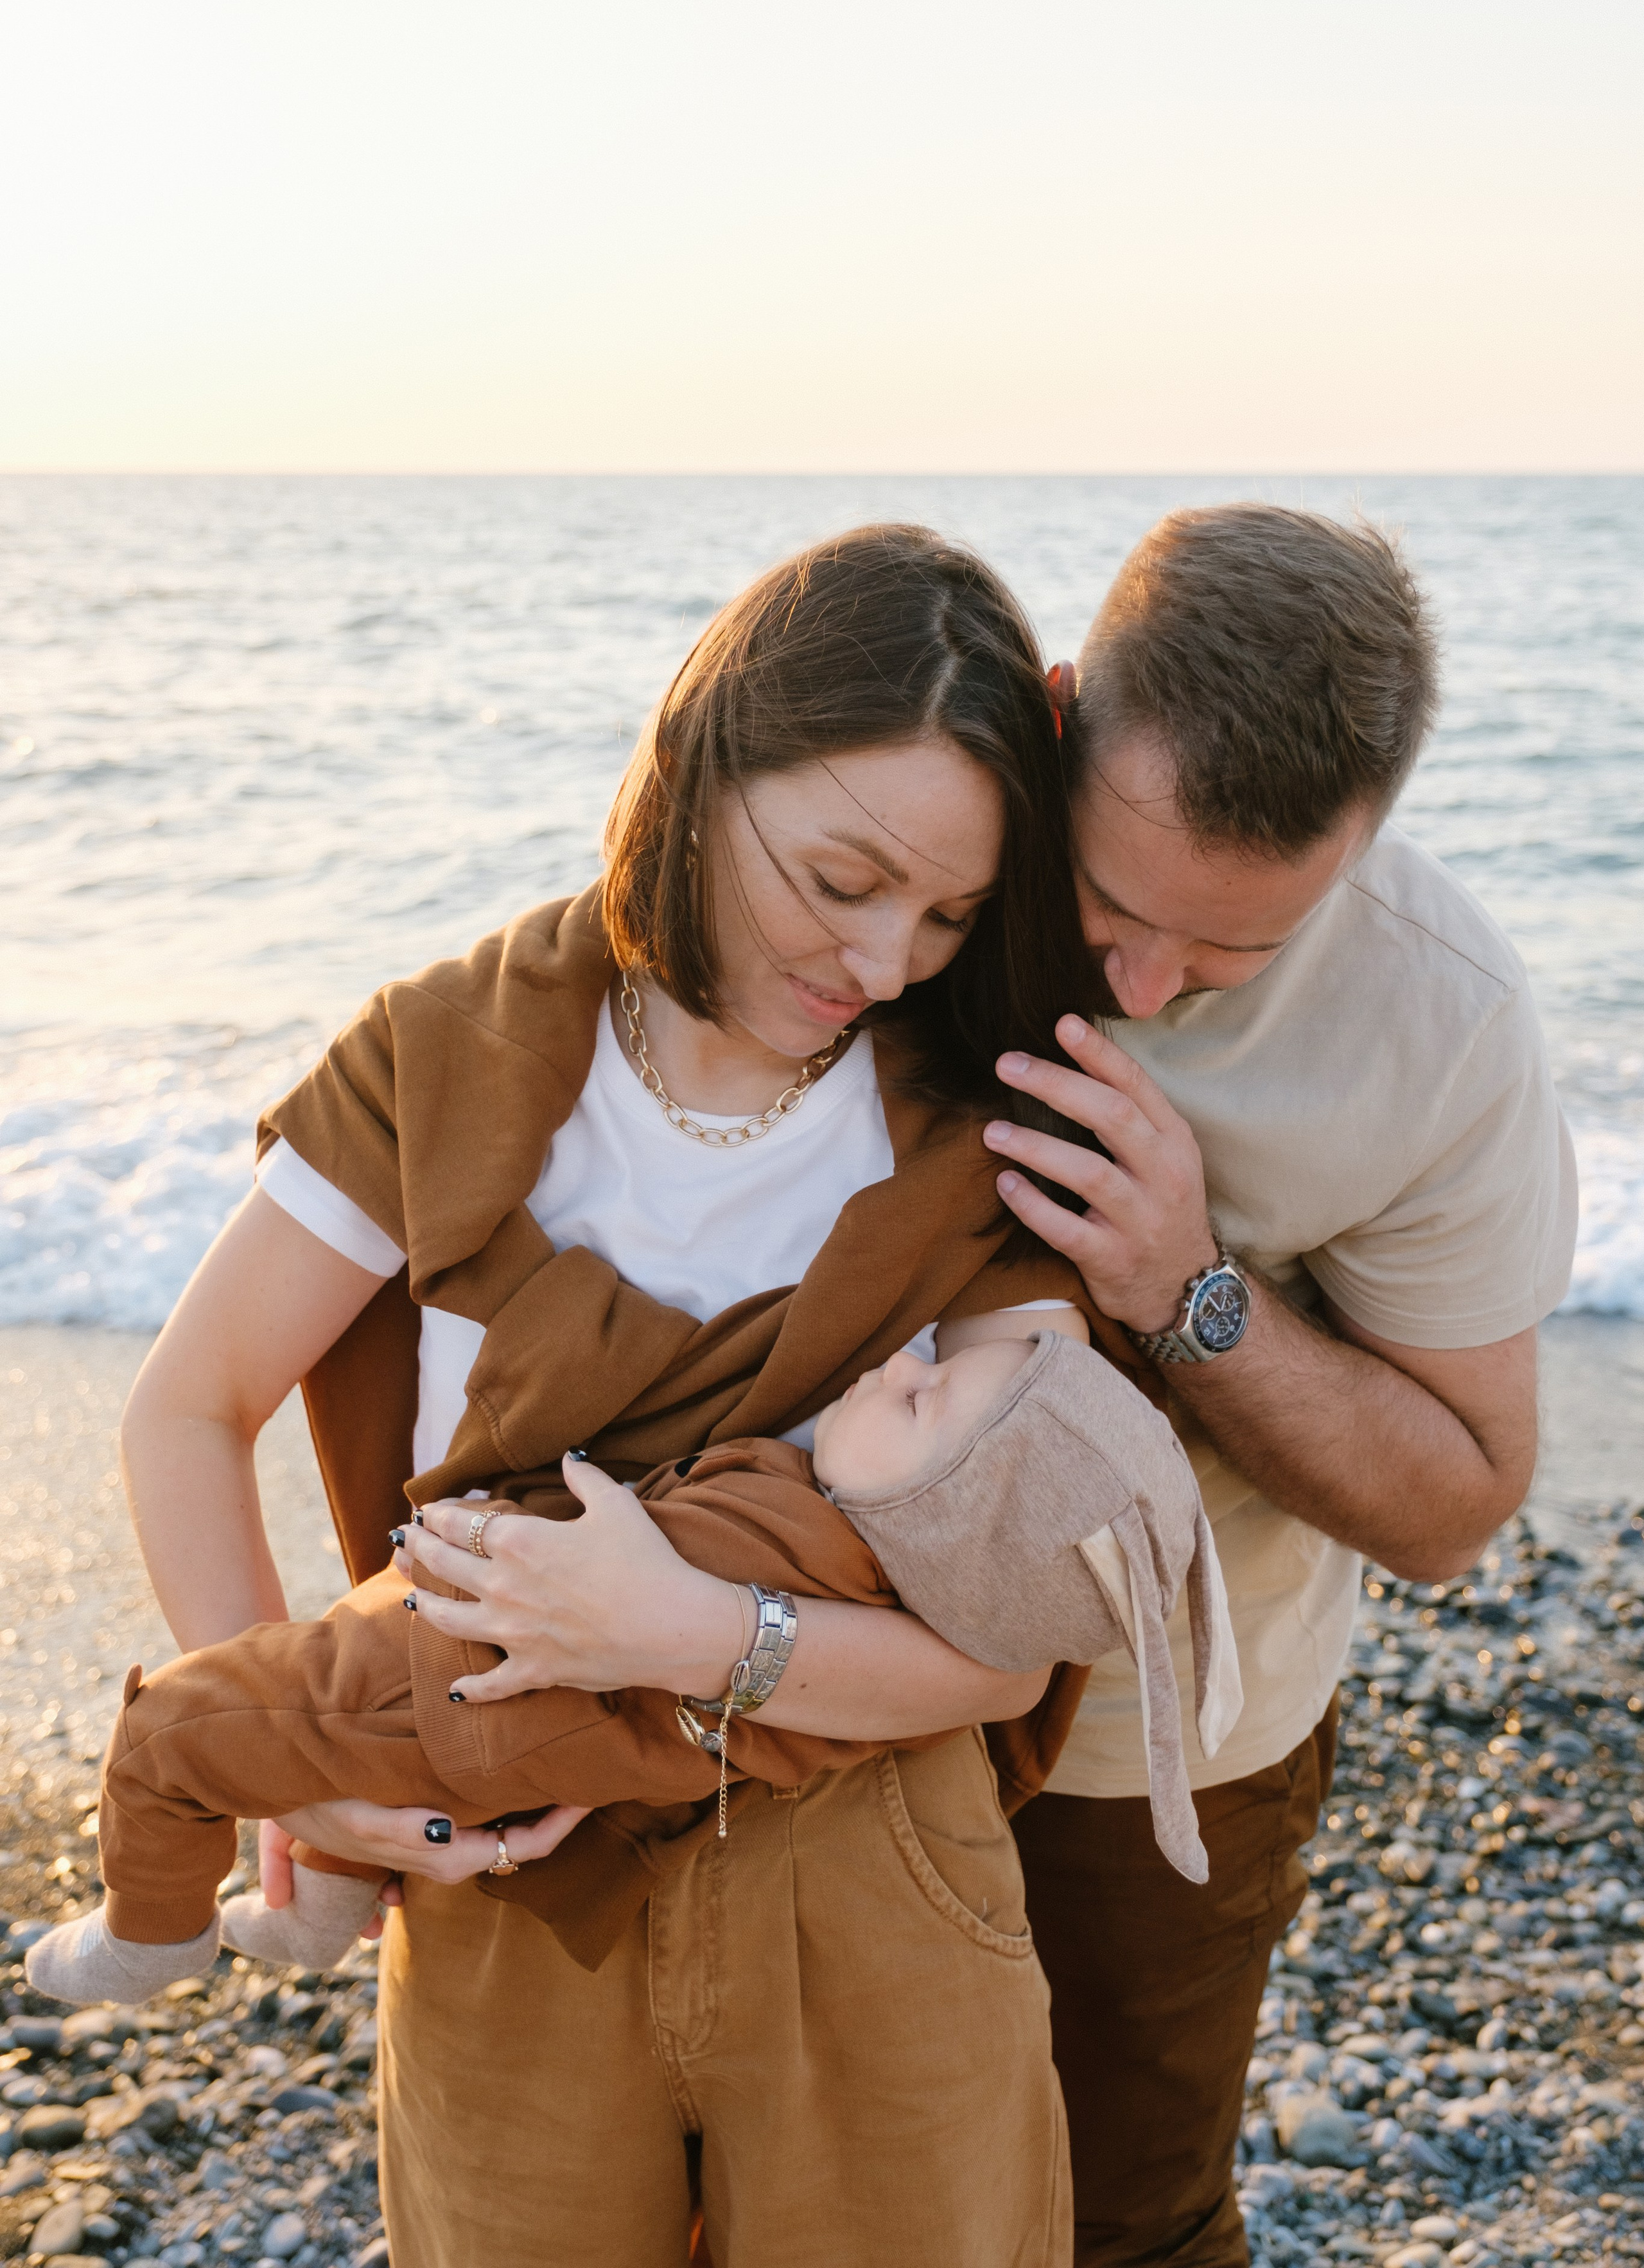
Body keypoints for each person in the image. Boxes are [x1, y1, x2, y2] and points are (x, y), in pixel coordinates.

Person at [110, 522, 1114, 2268]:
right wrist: (300, 1777)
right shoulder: (456, 1053)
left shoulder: (978, 1133)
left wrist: (698, 1633)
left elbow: (1012, 1650)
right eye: (840, 879)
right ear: (707, 764)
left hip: (869, 1859)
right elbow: (188, 1408)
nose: (885, 964)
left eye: (949, 913)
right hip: (506, 1880)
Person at [983, 503, 1578, 2266]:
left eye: (1232, 950)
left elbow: (1461, 1503)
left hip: (1150, 1754)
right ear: (1060, 708)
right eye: (1105, 905)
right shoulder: (906, 798)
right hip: (772, 1685)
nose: (1146, 986)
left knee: (1120, 2225)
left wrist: (1193, 1297)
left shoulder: (1443, 1015)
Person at [28, 1319, 1241, 2004]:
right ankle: (318, 1907)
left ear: (943, 1522)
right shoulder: (856, 1600)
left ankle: (153, 1931)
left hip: (458, 1688)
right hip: (493, 1733)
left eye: (923, 1405)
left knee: (174, 1731)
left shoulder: (797, 1544)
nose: (896, 1364)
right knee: (317, 1734)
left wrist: (480, 1531)